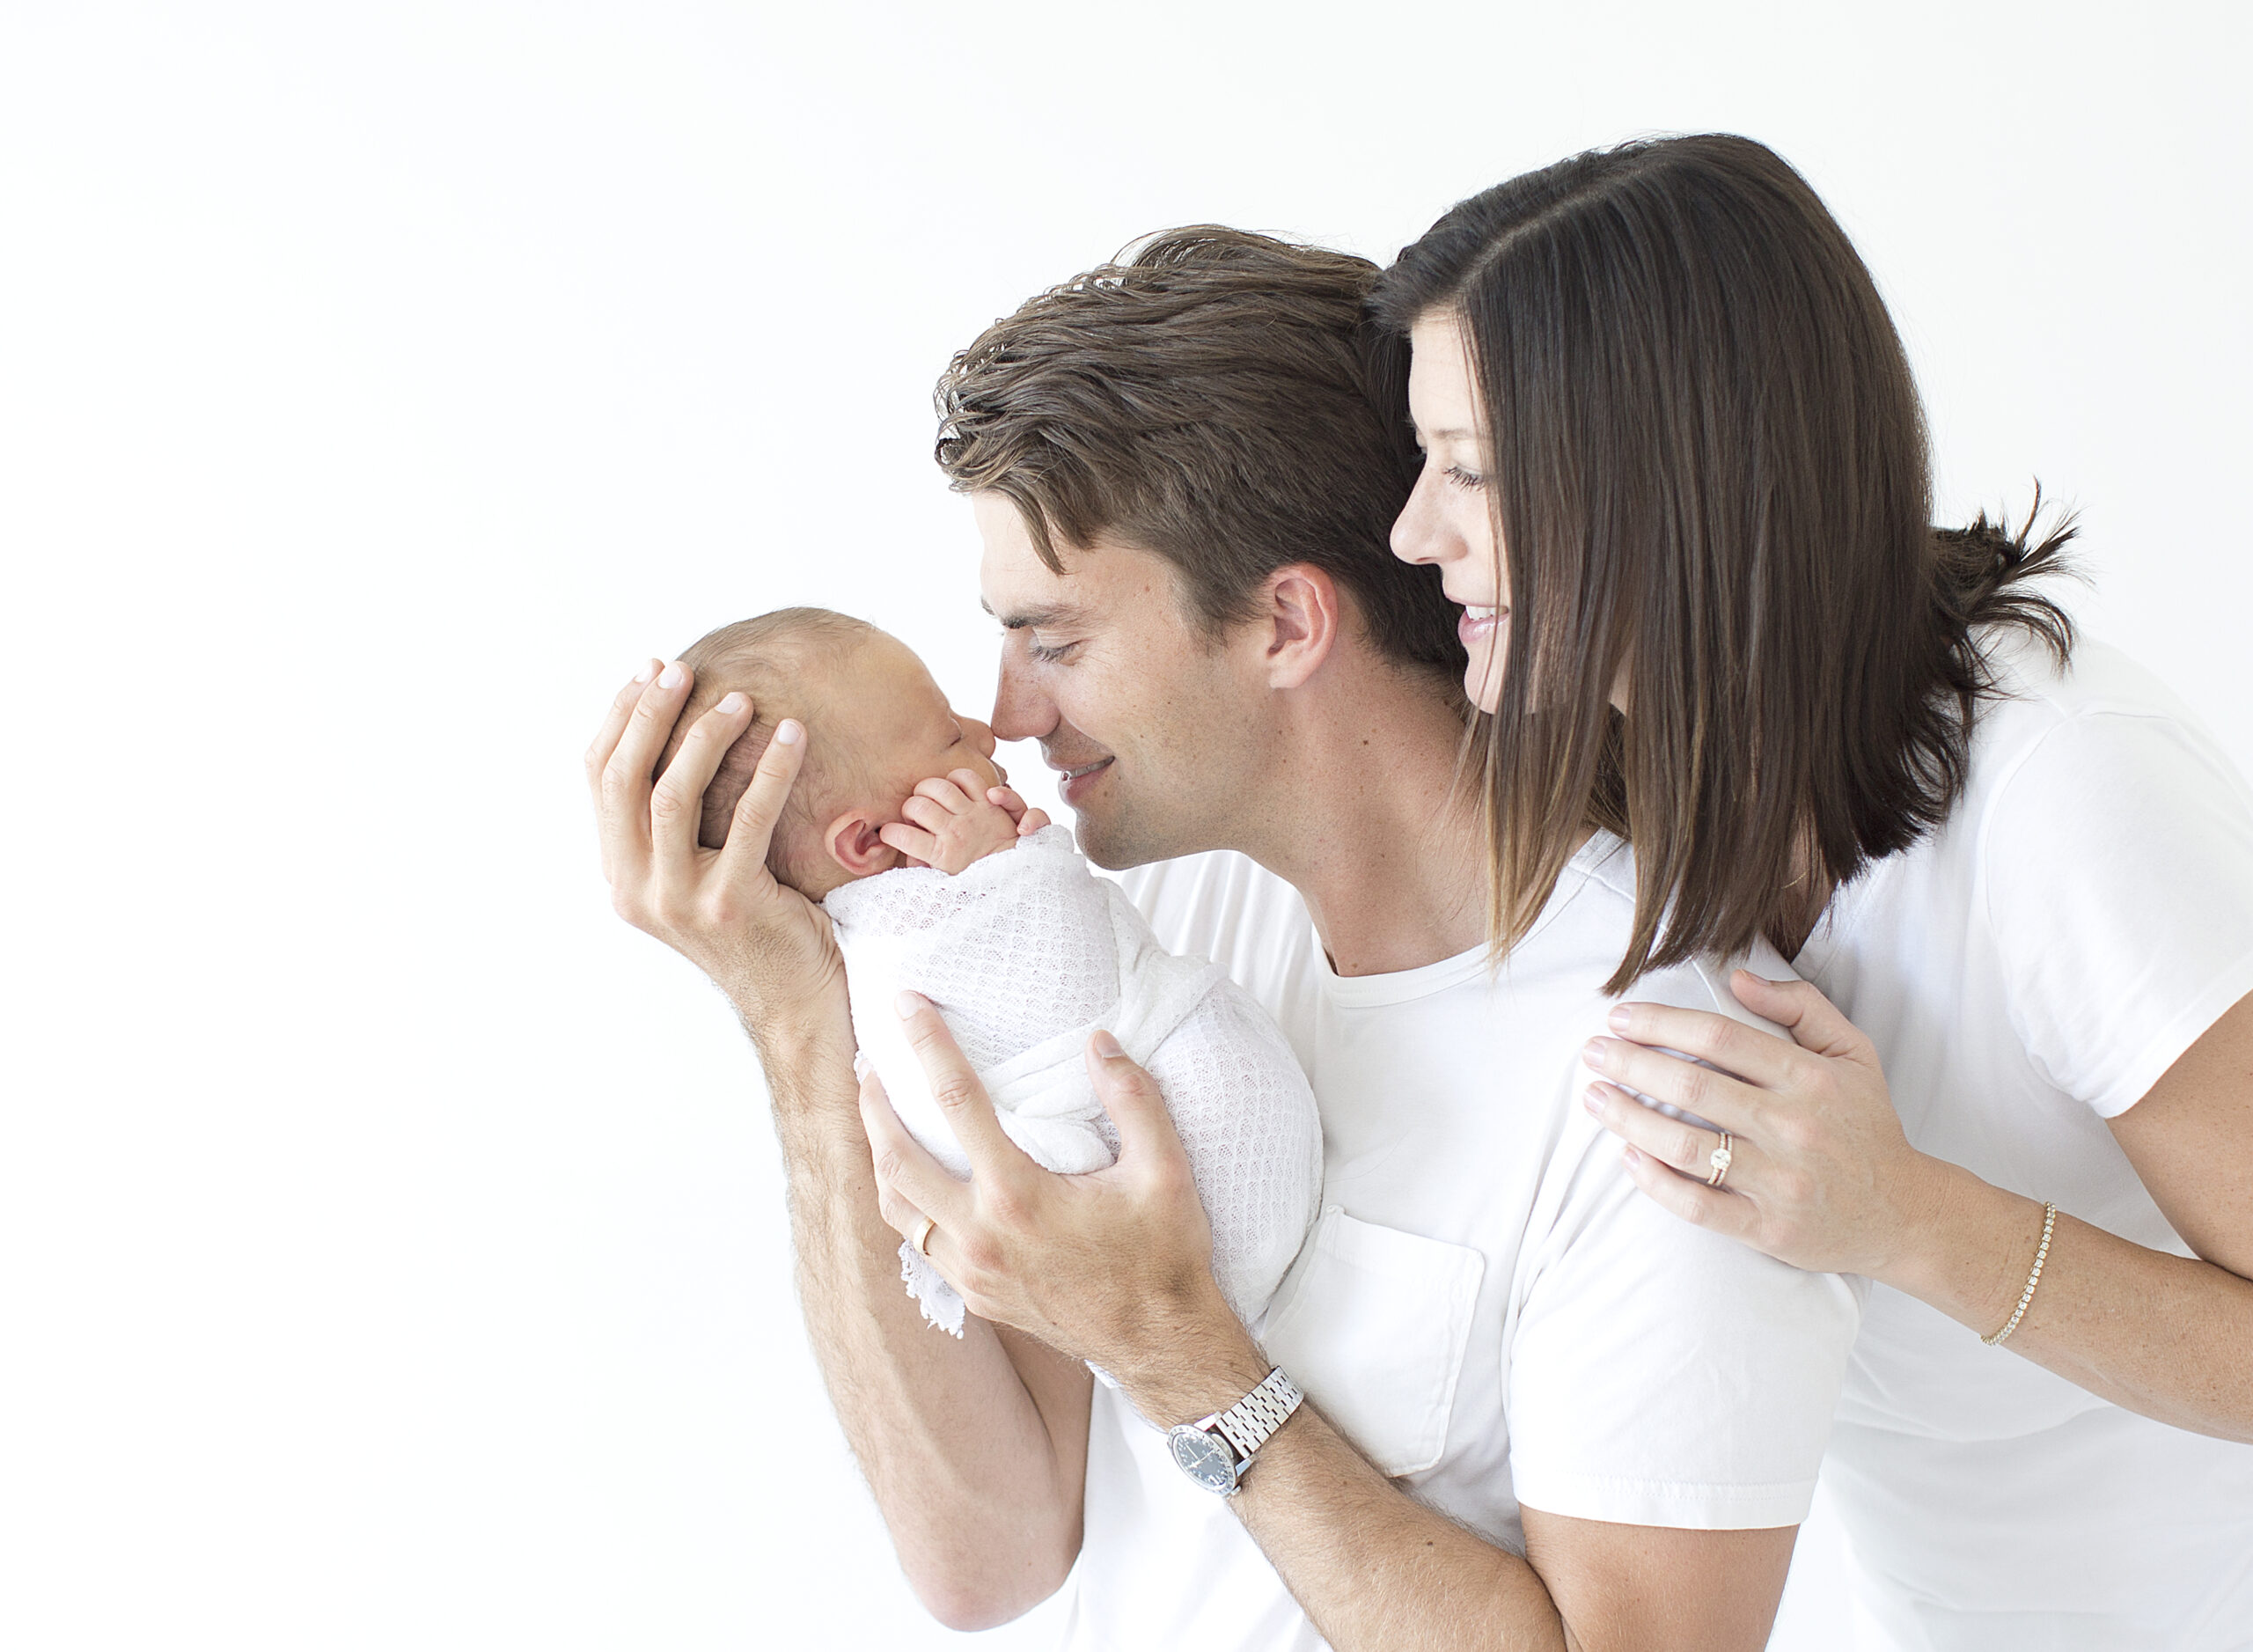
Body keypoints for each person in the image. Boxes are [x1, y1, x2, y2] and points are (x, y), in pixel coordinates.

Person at [589, 227, 1863, 1651]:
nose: (1007, 714)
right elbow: (988, 1555)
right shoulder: (1143, 929)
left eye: (1055, 640)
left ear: (1285, 623)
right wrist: (794, 1013)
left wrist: (1188, 1358)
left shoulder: (1676, 1078)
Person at [1379, 134, 2253, 1648]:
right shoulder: (1625, 780)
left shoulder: (2064, 793)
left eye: (1473, 471)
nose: (1415, 533)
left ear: (1678, 478)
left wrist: (1905, 1216)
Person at [654, 606, 1322, 1341]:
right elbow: (1061, 987)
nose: (988, 732)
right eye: (949, 736)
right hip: (1189, 1218)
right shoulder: (899, 948)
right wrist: (1012, 875)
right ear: (868, 841)